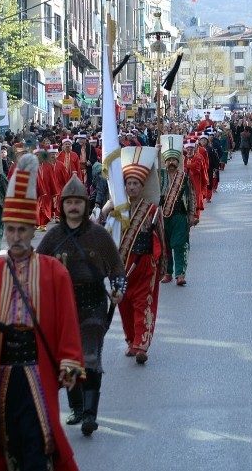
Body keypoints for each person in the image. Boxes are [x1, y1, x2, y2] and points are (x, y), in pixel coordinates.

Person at [0, 154, 84, 470]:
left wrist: (69, 362)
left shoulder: (54, 272)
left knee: (39, 441)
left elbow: (67, 323)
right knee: (2, 443)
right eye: (11, 230)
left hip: (38, 370)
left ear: (33, 231)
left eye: (23, 230)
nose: (17, 237)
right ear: (4, 232)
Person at [37, 175, 125, 436]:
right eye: (69, 202)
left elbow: (117, 269)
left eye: (78, 202)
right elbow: (36, 269)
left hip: (93, 305)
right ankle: (76, 408)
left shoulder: (98, 235)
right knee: (68, 359)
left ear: (85, 205)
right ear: (62, 205)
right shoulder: (52, 237)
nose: (73, 207)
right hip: (62, 308)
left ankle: (90, 414)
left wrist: (119, 290)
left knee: (90, 359)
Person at [103, 146, 166, 364]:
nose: (132, 187)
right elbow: (106, 231)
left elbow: (160, 236)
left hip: (145, 264)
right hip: (122, 265)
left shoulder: (152, 210)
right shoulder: (117, 210)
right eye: (129, 183)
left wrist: (162, 264)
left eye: (136, 184)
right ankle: (131, 340)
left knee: (143, 304)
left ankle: (142, 344)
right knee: (125, 306)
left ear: (142, 186)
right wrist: (106, 207)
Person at [159, 135, 196, 286]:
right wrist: (157, 152)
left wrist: (192, 214)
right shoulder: (160, 176)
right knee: (165, 246)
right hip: (163, 216)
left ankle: (180, 274)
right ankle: (168, 272)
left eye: (174, 160)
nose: (172, 163)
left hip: (180, 215)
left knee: (179, 245)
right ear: (166, 162)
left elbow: (192, 195)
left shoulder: (185, 177)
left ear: (178, 162)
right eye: (169, 160)